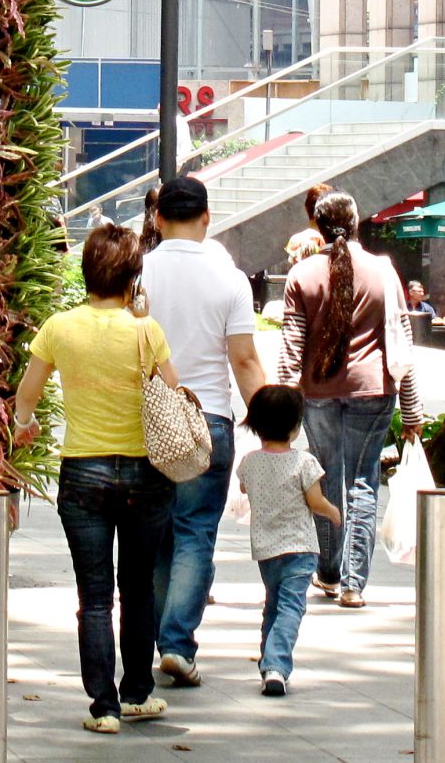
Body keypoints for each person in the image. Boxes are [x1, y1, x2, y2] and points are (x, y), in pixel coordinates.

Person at [12, 223, 182, 733]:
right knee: (138, 587)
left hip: (83, 472)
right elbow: (173, 394)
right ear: (133, 275)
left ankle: (103, 706)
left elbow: (26, 394)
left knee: (95, 595)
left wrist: (26, 425)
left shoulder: (60, 327)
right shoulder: (146, 330)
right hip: (144, 474)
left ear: (86, 271)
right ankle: (136, 694)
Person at [136, 175, 266, 689]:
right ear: (206, 218)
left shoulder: (137, 274)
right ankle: (176, 641)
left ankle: (162, 636)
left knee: (158, 534)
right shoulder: (230, 279)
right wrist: (272, 426)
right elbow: (244, 359)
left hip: (148, 420)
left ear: (158, 218)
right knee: (194, 534)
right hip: (207, 419)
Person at [276, 190, 420, 609]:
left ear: (317, 226)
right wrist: (412, 410)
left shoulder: (302, 274)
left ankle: (329, 571)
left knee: (325, 478)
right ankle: (355, 583)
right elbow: (400, 342)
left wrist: (282, 405)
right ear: (358, 222)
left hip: (318, 392)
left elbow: (292, 345)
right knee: (363, 482)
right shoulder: (383, 271)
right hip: (373, 390)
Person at [238, 383, 340, 696]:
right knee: (291, 608)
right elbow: (315, 501)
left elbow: (244, 489)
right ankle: (277, 666)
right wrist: (332, 511)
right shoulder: (304, 463)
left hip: (266, 550)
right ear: (296, 428)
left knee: (273, 605)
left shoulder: (250, 462)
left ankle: (269, 662)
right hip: (299, 547)